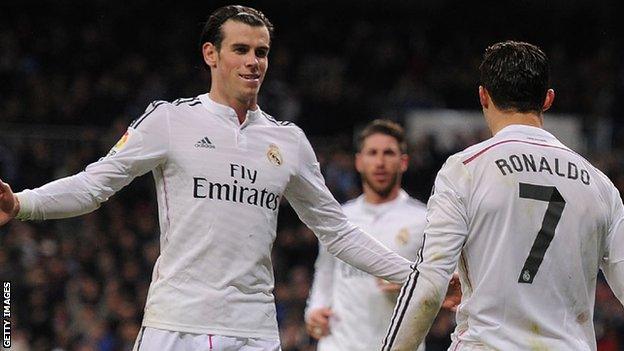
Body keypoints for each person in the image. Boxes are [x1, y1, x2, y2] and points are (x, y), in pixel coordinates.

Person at [0, 5, 415, 350]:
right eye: (241, 50)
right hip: (176, 324)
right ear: (210, 54)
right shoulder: (169, 120)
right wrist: (22, 203)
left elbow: (337, 231)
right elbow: (94, 186)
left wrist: (415, 277)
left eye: (262, 52)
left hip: (252, 331)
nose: (254, 62)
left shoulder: (289, 141)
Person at [381, 40, 624, 351]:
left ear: (483, 96)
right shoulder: (600, 185)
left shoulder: (465, 170)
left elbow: (429, 288)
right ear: (547, 100)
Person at [305, 119, 427, 351]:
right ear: (359, 162)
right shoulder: (339, 217)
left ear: (404, 162)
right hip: (339, 343)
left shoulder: (425, 220)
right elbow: (325, 271)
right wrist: (314, 309)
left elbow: (442, 284)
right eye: (372, 153)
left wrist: (413, 286)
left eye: (388, 153)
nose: (380, 162)